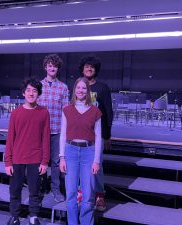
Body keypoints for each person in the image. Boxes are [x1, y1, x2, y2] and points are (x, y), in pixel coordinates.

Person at [4, 78, 50, 225]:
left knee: (34, 190)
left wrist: (44, 161)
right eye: (29, 90)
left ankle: (33, 216)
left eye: (35, 91)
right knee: (15, 190)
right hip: (17, 158)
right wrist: (8, 161)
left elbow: (46, 139)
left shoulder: (44, 113)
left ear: (39, 94)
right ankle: (15, 216)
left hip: (35, 158)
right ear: (23, 93)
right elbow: (10, 138)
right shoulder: (16, 113)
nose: (31, 93)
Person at [59, 77, 102, 225]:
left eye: (84, 88)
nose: (81, 90)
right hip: (70, 152)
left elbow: (98, 137)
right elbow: (63, 134)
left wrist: (96, 161)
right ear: (74, 90)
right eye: (78, 88)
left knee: (88, 194)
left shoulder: (95, 111)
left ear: (88, 91)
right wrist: (62, 157)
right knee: (70, 193)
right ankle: (72, 223)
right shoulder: (67, 109)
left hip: (88, 153)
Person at [79, 54, 113, 211]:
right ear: (82, 69)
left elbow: (108, 112)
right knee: (80, 165)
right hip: (79, 134)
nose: (89, 68)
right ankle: (82, 192)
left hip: (97, 135)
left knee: (96, 165)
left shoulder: (103, 87)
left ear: (95, 70)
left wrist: (107, 135)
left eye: (92, 67)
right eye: (86, 66)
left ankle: (99, 195)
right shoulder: (78, 85)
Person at [37, 54, 69, 202]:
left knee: (56, 162)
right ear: (45, 67)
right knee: (40, 160)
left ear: (58, 68)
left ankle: (56, 189)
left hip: (57, 131)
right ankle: (41, 187)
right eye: (49, 65)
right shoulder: (38, 85)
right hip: (40, 131)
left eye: (54, 66)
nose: (52, 68)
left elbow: (66, 110)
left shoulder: (63, 87)